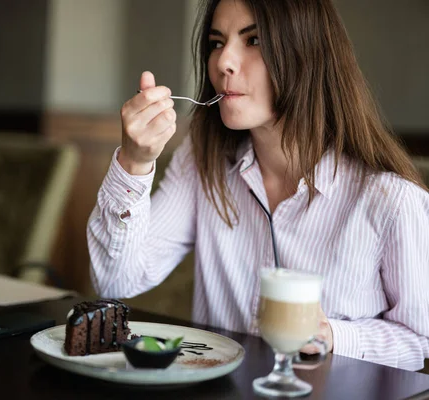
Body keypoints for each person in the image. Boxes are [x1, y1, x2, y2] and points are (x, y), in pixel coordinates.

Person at [87, 0, 429, 371]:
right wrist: (134, 163)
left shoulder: (391, 199)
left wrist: (334, 336)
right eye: (217, 42)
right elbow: (114, 279)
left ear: (308, 53)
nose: (223, 62)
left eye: (254, 40)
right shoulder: (203, 158)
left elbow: (420, 340)